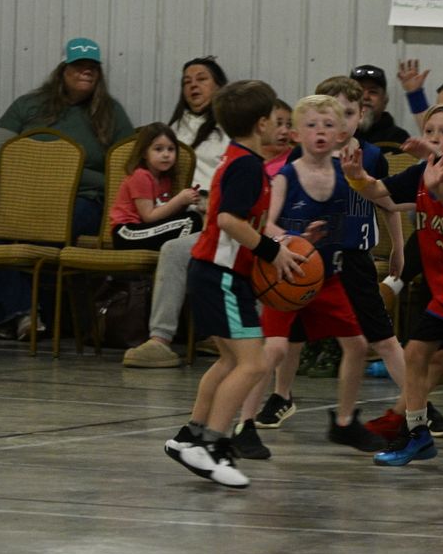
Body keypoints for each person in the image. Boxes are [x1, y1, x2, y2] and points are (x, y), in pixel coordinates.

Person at [247, 77, 408, 441]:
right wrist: (290, 241)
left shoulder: (369, 158)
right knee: (287, 340)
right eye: (315, 122)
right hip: (304, 259)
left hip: (352, 258)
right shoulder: (297, 164)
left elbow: (389, 204)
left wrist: (398, 248)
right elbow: (275, 216)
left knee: (379, 338)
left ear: (359, 115)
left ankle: (417, 405)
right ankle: (277, 399)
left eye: (346, 114)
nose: (330, 127)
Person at [341, 103, 443, 466]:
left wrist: (433, 169)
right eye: (430, 132)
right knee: (415, 353)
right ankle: (416, 433)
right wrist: (356, 176)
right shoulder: (420, 172)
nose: (434, 139)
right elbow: (380, 193)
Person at [163, 80, 303, 488]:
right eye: (276, 120)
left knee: (228, 362)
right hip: (221, 275)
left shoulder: (240, 159)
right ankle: (212, 446)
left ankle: (191, 435)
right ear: (260, 124)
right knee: (253, 364)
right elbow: (227, 220)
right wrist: (272, 252)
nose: (281, 127)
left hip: (214, 273)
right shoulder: (247, 166)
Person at [0, 37, 133, 339]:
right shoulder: (28, 105)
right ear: (63, 70)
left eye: (92, 66)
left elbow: (126, 168)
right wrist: (12, 190)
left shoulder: (111, 113)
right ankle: (23, 313)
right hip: (21, 200)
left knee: (45, 230)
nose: (86, 71)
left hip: (81, 203)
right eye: (78, 65)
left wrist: (67, 176)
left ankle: (23, 314)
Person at [124, 57, 230, 368]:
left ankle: (220, 334)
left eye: (201, 79)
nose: (193, 86)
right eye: (187, 81)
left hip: (221, 215)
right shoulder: (170, 132)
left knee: (186, 248)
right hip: (178, 212)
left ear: (219, 86)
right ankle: (159, 341)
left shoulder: (232, 128)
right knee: (174, 248)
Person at [108, 122, 201, 250]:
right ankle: (175, 255)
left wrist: (185, 203)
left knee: (193, 217)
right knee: (190, 221)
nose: (166, 154)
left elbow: (163, 213)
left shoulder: (164, 179)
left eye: (171, 149)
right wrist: (179, 200)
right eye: (158, 149)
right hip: (126, 232)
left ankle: (174, 254)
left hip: (145, 229)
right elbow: (149, 216)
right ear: (144, 153)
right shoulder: (141, 175)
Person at [350, 65, 409, 145]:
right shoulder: (336, 134)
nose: (365, 97)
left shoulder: (399, 138)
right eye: (359, 91)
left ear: (385, 100)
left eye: (373, 92)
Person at [262, 98, 294, 177]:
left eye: (289, 125)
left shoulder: (295, 162)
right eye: (278, 124)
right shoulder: (245, 160)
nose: (285, 131)